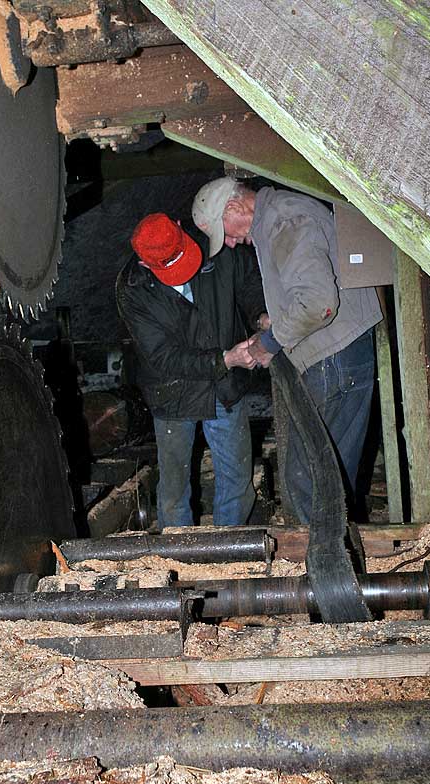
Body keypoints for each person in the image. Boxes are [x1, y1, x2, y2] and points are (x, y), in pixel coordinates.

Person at [192, 177, 383, 523]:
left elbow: (318, 303)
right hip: (339, 354)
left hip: (334, 359)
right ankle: (335, 560)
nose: (233, 244)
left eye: (228, 233)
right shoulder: (276, 220)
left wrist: (268, 344)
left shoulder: (283, 221)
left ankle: (326, 568)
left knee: (310, 476)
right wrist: (272, 323)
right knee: (329, 475)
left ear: (235, 207)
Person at [116, 212, 267, 530]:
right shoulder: (133, 289)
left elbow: (248, 281)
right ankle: (179, 552)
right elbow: (164, 357)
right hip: (174, 392)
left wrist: (260, 315)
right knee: (173, 487)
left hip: (223, 388)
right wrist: (225, 360)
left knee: (237, 479)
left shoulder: (215, 246)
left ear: (181, 229)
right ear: (146, 264)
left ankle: (230, 548)